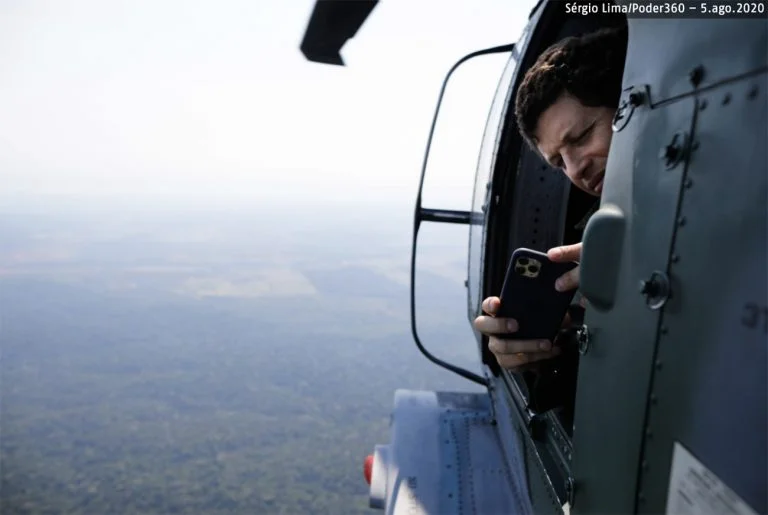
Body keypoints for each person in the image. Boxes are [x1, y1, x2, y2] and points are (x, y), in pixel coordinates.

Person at [473, 24, 629, 371]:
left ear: (629, 105)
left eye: (583, 136)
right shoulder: (591, 243)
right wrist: (544, 351)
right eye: (558, 162)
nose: (575, 170)